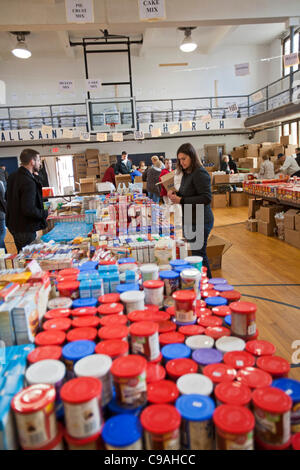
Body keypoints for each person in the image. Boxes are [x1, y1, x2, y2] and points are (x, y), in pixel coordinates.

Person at [168, 143, 214, 278]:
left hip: (200, 219)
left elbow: (206, 198)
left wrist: (181, 200)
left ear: (192, 157)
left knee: (199, 255)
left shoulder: (200, 173)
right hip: (190, 217)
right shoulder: (187, 173)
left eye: (184, 159)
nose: (181, 162)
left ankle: (208, 284)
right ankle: (200, 282)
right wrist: (176, 194)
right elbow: (187, 193)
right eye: (179, 159)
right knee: (195, 254)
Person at [6, 149, 48, 253]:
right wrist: (44, 213)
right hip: (25, 227)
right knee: (29, 258)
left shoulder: (13, 176)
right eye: (38, 160)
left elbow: (7, 197)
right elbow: (28, 209)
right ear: (32, 162)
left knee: (23, 256)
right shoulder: (28, 181)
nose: (39, 163)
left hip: (13, 224)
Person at [0, 179, 6, 251]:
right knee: (2, 235)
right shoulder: (0, 183)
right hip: (1, 214)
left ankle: (4, 255)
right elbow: (3, 199)